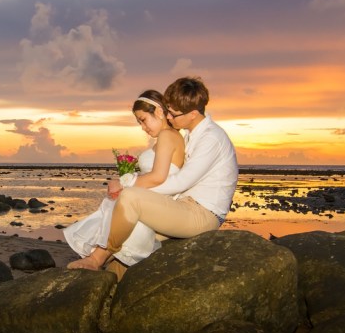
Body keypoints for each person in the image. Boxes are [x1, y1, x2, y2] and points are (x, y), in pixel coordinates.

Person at [72, 76, 238, 270]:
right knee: (131, 233)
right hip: (184, 206)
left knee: (131, 198)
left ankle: (96, 260)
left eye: (173, 114)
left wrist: (128, 184)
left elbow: (181, 181)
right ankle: (106, 277)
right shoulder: (190, 135)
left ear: (193, 113)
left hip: (203, 214)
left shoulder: (211, 138)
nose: (169, 117)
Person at [65, 90, 185, 269]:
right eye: (139, 123)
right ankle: (98, 260)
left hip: (157, 197)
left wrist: (123, 183)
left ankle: (96, 259)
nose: (143, 127)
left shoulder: (167, 135)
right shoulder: (170, 137)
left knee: (120, 209)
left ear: (159, 111)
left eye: (143, 120)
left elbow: (158, 177)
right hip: (155, 195)